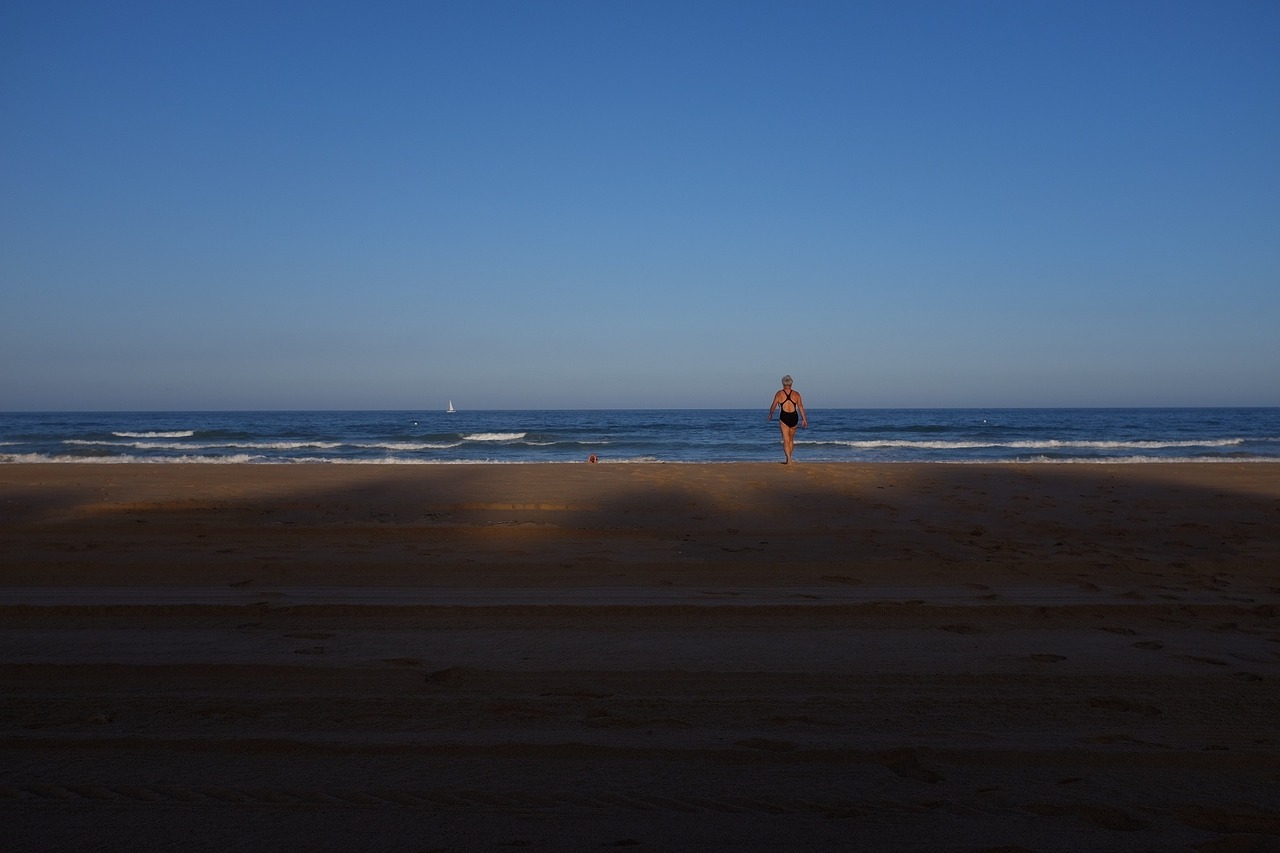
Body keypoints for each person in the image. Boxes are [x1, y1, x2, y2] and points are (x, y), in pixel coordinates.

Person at [767, 375, 808, 464]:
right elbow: (800, 406)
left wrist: (770, 414)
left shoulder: (779, 393)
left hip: (784, 417)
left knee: (786, 439)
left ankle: (788, 458)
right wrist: (804, 419)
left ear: (783, 383)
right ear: (791, 383)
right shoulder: (796, 394)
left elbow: (773, 405)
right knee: (791, 439)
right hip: (794, 417)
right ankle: (789, 458)